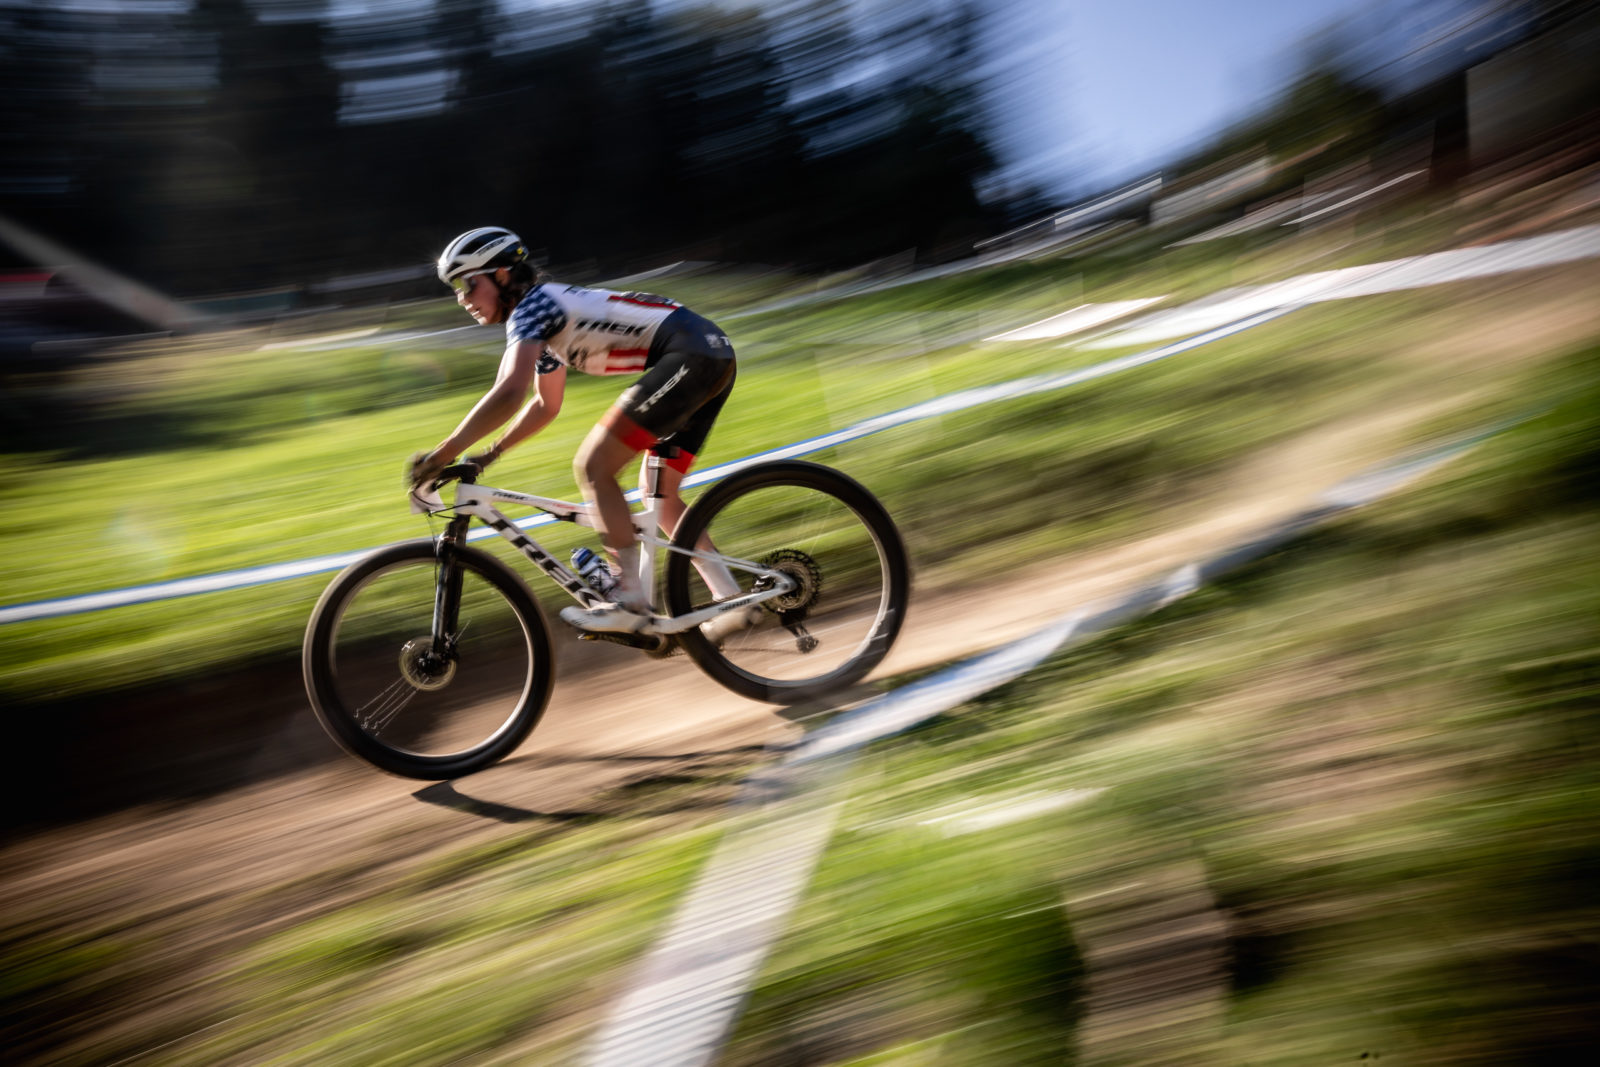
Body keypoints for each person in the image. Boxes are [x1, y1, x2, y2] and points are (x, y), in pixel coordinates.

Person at [409, 226, 743, 635]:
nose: (462, 299)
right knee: (659, 494)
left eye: (467, 284)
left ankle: (629, 601)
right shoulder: (545, 317)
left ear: (501, 274)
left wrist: (441, 454)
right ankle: (731, 598)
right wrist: (491, 453)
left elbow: (509, 391)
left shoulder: (534, 308)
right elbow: (544, 403)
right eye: (456, 290)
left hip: (693, 357)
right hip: (709, 353)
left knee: (593, 466)